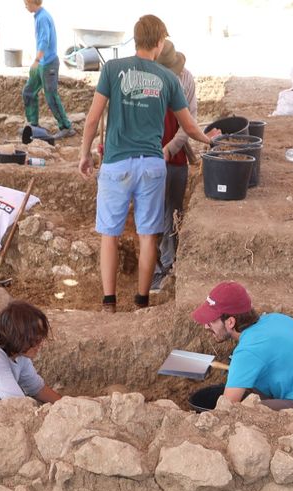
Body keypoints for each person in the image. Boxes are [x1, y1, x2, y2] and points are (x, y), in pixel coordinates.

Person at [78, 15, 216, 312]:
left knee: (110, 236)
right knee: (148, 235)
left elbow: (92, 119)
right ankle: (141, 301)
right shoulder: (168, 78)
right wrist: (210, 141)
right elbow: (190, 127)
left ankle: (109, 303)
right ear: (160, 42)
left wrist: (84, 154)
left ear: (135, 39)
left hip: (116, 164)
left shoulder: (112, 69)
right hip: (153, 166)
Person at [192, 282, 293, 413]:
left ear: (230, 322)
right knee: (251, 388)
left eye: (211, 321)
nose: (206, 326)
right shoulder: (274, 319)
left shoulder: (248, 352)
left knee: (244, 412)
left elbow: (224, 410)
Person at [152, 39, 194, 292]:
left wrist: (169, 149)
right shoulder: (147, 80)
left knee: (172, 214)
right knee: (152, 216)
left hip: (175, 160)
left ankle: (170, 266)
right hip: (148, 159)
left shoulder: (186, 80)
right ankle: (156, 269)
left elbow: (189, 124)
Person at [20, 0, 70, 138]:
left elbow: (44, 41)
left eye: (26, 3)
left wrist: (36, 60)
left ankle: (66, 127)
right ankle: (33, 124)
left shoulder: (42, 17)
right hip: (41, 62)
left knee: (51, 96)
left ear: (32, 2)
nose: (25, 6)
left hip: (48, 63)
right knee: (28, 91)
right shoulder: (38, 15)